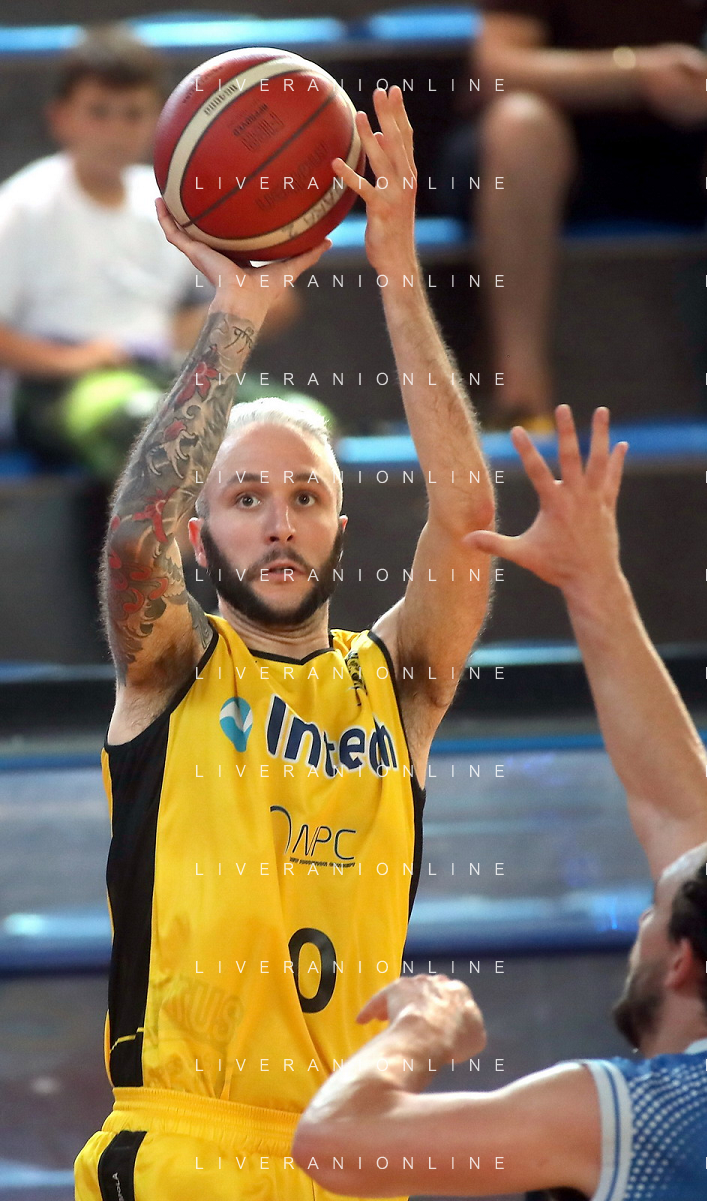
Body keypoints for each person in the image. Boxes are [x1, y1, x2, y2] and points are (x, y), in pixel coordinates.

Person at [74, 86, 495, 1199]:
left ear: (341, 528)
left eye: (306, 495)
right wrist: (240, 308)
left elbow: (466, 517)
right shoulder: (174, 667)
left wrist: (396, 270)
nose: (278, 520)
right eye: (245, 496)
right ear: (202, 531)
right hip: (186, 1147)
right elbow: (133, 538)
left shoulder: (396, 683)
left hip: (352, 1152)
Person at [292, 405, 707, 1200]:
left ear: (684, 961)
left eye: (657, 907)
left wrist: (422, 1032)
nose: (644, 918)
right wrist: (593, 580)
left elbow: (334, 1143)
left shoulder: (627, 1115)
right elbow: (678, 811)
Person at [457, 1, 707, 426]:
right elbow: (498, 67)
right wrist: (635, 73)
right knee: (520, 124)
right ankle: (522, 401)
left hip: (686, 145)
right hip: (559, 150)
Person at [0, 25, 297, 479]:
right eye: (99, 112)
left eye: (133, 114)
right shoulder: (22, 205)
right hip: (56, 387)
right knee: (148, 425)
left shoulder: (172, 202)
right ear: (60, 118)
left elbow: (272, 301)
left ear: (159, 120)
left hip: (161, 373)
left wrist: (225, 313)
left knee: (297, 424)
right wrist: (72, 359)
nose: (116, 130)